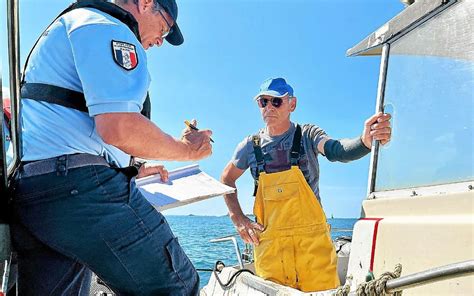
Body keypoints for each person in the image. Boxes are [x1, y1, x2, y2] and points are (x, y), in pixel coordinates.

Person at [10, 0, 212, 295]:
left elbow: (65, 124)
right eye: (165, 28)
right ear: (145, 3)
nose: (160, 40)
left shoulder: (75, 24)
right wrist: (188, 151)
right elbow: (118, 127)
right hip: (79, 191)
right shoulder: (108, 28)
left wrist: (136, 169)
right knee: (176, 286)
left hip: (36, 196)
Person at [221, 77, 391, 292]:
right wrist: (238, 218)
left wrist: (364, 142)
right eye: (263, 102)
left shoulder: (308, 135)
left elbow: (336, 150)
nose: (269, 107)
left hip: (313, 246)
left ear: (292, 104)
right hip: (271, 249)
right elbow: (227, 179)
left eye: (276, 101)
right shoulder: (249, 146)